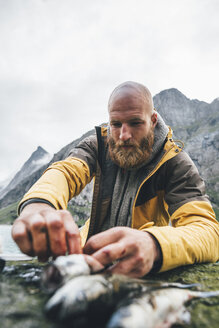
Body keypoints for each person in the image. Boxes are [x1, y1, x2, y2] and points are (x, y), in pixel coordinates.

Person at [12, 81, 219, 277]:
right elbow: (65, 172)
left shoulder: (174, 162)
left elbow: (208, 232)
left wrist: (154, 244)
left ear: (153, 120)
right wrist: (39, 203)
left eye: (135, 123)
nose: (123, 135)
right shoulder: (97, 146)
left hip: (140, 267)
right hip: (86, 258)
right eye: (116, 124)